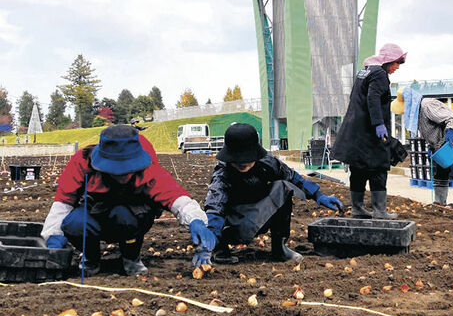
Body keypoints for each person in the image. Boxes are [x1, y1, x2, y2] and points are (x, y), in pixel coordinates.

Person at [41, 124, 216, 276]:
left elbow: (177, 198)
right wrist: (54, 236)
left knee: (124, 216)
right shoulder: (83, 162)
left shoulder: (149, 170)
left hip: (132, 217)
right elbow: (63, 202)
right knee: (74, 223)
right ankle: (91, 257)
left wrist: (196, 221)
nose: (122, 175)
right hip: (95, 212)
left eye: (126, 170)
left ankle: (131, 257)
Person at [204, 123, 343, 265]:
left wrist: (318, 195)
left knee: (283, 186)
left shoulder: (268, 162)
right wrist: (210, 239)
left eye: (247, 157)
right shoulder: (222, 174)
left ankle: (279, 247)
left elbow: (293, 177)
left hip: (259, 214)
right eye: (237, 158)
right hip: (234, 224)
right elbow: (215, 206)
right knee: (213, 221)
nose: (243, 162)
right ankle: (220, 248)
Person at [331, 43, 406, 219]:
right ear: (388, 61)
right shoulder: (380, 74)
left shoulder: (364, 72)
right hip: (370, 132)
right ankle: (380, 211)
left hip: (356, 131)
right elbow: (373, 98)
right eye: (396, 63)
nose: (396, 67)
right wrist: (379, 124)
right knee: (378, 167)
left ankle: (357, 208)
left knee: (358, 168)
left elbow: (357, 98)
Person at [391, 87, 453, 210]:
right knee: (441, 171)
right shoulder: (418, 112)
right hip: (441, 144)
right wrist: (431, 146)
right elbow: (430, 130)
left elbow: (451, 118)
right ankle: (439, 202)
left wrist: (451, 133)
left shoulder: (427, 106)